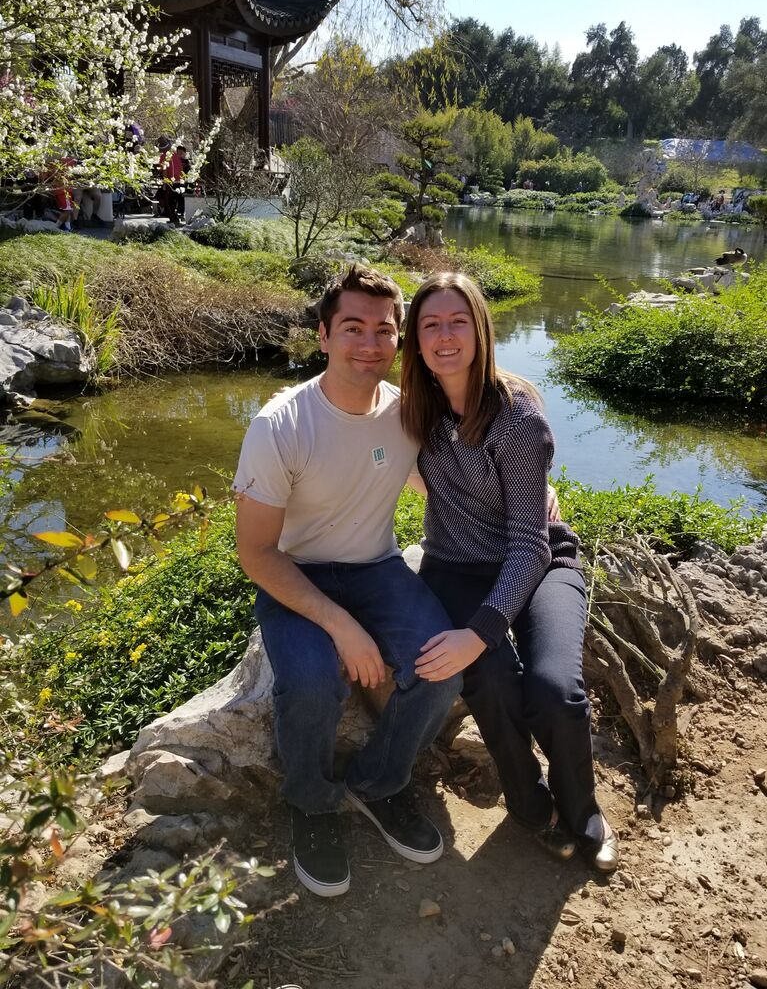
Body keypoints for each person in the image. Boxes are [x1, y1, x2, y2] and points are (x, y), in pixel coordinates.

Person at [233, 265, 463, 898]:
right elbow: (255, 553)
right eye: (353, 328)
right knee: (311, 681)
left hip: (378, 567)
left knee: (443, 667)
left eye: (384, 330)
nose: (369, 345)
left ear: (400, 340)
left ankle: (378, 783)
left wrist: (537, 490)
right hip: (296, 574)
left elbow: (465, 456)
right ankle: (310, 802)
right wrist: (342, 628)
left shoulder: (409, 413)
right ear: (323, 334)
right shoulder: (281, 424)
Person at [399, 271, 618, 873]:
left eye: (457, 321)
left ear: (481, 328)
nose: (445, 336)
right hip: (454, 567)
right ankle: (528, 804)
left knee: (553, 687)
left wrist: (478, 630)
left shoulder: (515, 414)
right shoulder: (409, 411)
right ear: (415, 340)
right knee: (489, 680)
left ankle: (583, 809)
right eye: (430, 325)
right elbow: (343, 420)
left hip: (540, 559)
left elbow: (528, 544)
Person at [155, 136, 184, 225]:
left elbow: (164, 170)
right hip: (179, 181)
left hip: (170, 181)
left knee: (168, 201)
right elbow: (180, 167)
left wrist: (165, 182)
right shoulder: (175, 155)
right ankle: (174, 217)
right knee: (174, 200)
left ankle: (173, 219)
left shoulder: (164, 156)